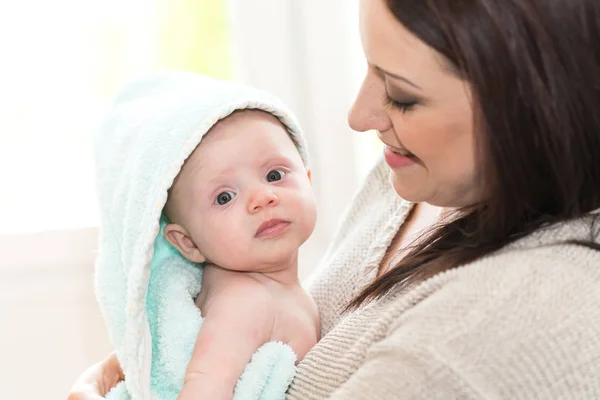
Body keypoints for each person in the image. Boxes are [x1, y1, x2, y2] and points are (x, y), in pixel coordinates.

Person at [69, 0, 600, 399]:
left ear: (532, 110)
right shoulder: (414, 176)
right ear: (183, 240)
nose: (359, 115)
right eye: (367, 66)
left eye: (403, 95)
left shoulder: (495, 329)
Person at [164, 109, 319, 399]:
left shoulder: (273, 288)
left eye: (274, 175)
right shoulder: (246, 301)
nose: (261, 198)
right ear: (189, 243)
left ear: (308, 182)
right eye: (225, 197)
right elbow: (204, 387)